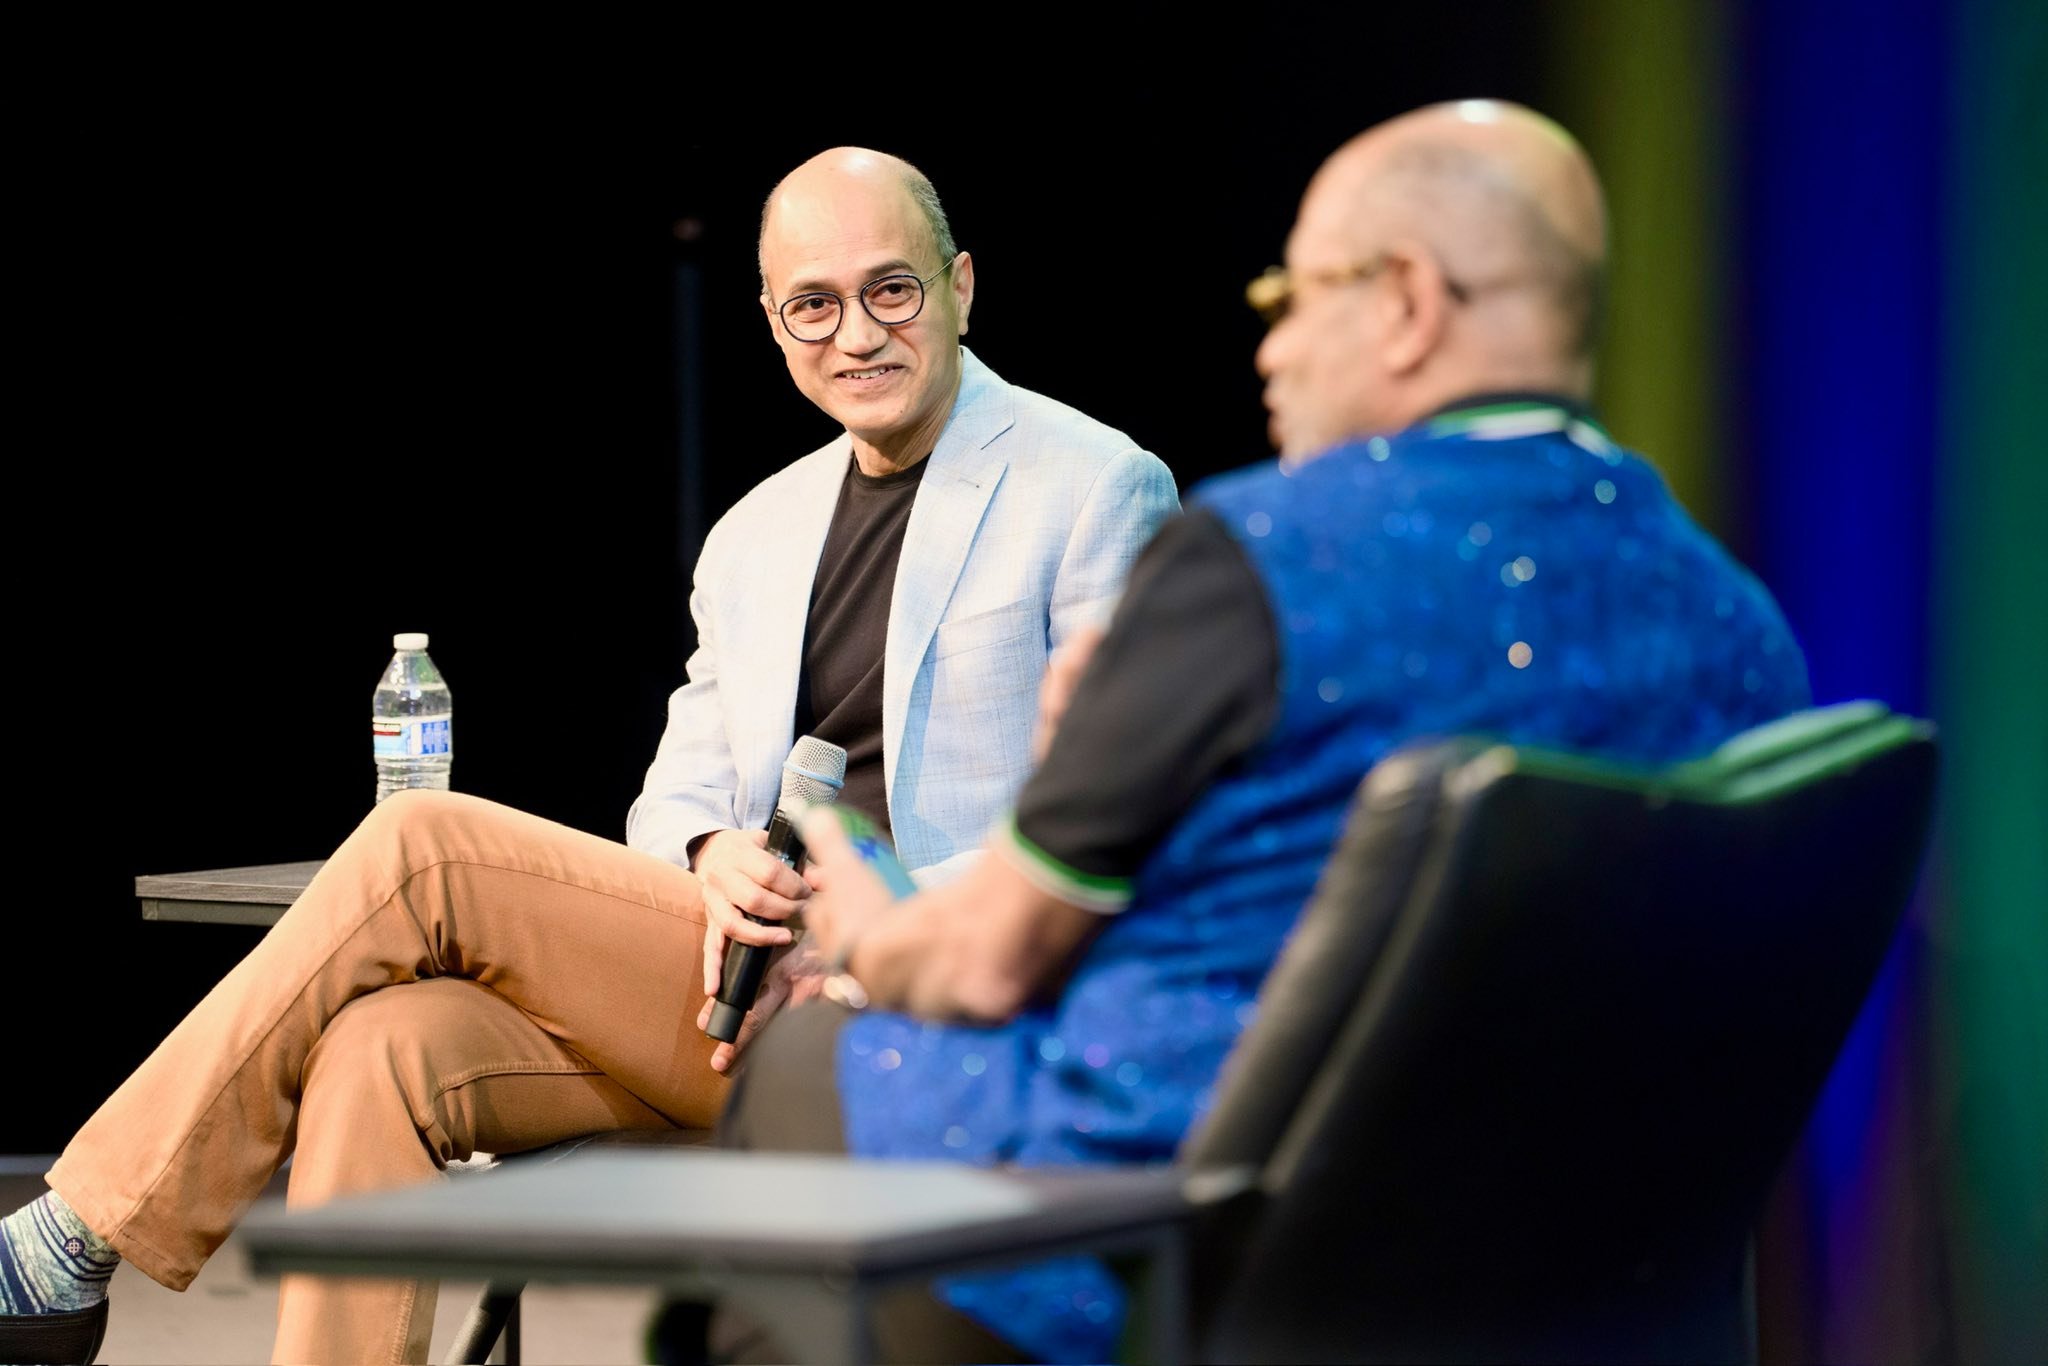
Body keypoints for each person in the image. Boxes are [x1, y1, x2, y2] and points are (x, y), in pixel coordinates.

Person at [0, 148, 1175, 1366]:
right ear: (774, 325)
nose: (855, 335)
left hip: (927, 1020)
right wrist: (714, 850)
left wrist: (868, 921)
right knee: (380, 1043)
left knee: (421, 840)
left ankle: (71, 1238)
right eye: (812, 305)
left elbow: (1112, 822)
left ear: (961, 285)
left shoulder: (1091, 485)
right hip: (732, 1008)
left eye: (892, 290)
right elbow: (669, 798)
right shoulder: (756, 533)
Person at [717, 99, 1815, 1364]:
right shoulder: (1741, 626)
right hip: (1586, 1261)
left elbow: (978, 971)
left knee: (806, 1061)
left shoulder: (1259, 562)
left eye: (1294, 296)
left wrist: (860, 916)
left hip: (1194, 1233)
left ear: (1405, 302)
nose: (1274, 350)